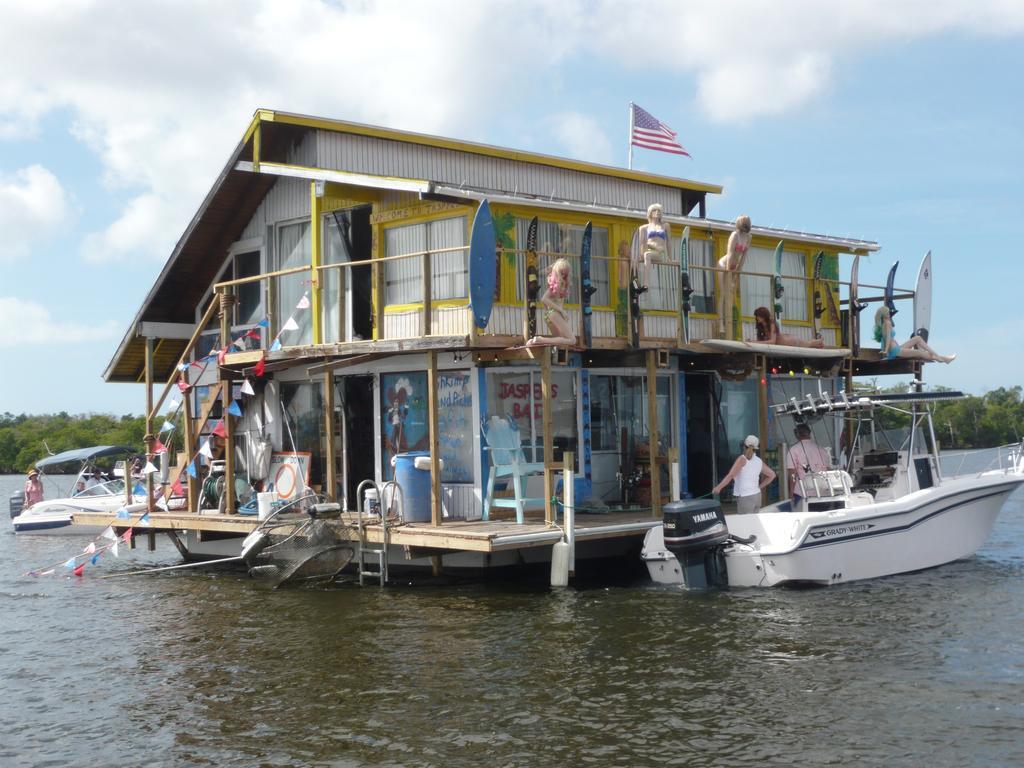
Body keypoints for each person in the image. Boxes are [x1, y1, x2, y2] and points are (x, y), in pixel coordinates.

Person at [713, 434, 776, 514]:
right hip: (757, 496)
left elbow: (731, 475)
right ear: (756, 448)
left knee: (745, 525)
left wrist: (718, 488)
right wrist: (759, 487)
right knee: (753, 523)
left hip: (745, 497)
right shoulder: (758, 461)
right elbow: (772, 475)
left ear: (744, 446)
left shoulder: (742, 459)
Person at [874, 306, 955, 363]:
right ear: (883, 315)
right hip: (895, 351)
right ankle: (942, 358)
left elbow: (885, 339)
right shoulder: (887, 323)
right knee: (921, 352)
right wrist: (885, 351)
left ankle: (939, 357)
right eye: (887, 313)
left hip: (895, 349)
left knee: (917, 338)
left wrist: (885, 350)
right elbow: (887, 338)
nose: (889, 314)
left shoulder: (882, 324)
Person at [717, 215, 753, 339]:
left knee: (731, 292)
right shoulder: (734, 235)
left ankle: (729, 322)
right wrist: (728, 271)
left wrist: (737, 274)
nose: (744, 225)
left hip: (735, 264)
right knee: (723, 293)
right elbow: (731, 253)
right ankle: (721, 323)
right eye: (743, 223)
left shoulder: (748, 237)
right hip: (724, 264)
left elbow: (743, 257)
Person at [527, 258, 576, 346]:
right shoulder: (558, 286)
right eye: (563, 272)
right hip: (554, 313)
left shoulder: (556, 285)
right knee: (572, 340)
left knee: (559, 341)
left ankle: (533, 341)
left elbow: (545, 301)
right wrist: (561, 311)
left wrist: (548, 312)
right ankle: (540, 340)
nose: (564, 275)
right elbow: (544, 299)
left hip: (549, 314)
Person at [630, 203, 670, 293]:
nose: (657, 212)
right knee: (646, 254)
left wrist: (670, 258)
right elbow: (641, 243)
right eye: (655, 210)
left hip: (661, 254)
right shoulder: (643, 228)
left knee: (647, 255)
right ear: (650, 213)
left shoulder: (665, 226)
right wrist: (641, 255)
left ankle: (646, 284)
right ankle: (645, 285)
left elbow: (669, 242)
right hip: (649, 252)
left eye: (659, 210)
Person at [787, 423, 830, 502]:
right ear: (810, 434)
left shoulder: (793, 450)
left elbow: (793, 474)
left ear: (796, 435)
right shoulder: (822, 450)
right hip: (822, 491)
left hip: (802, 492)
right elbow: (827, 469)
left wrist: (791, 491)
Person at [753, 307, 824, 348]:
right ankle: (818, 343)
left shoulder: (772, 324)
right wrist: (754, 342)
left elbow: (772, 342)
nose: (757, 318)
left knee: (808, 344)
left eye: (758, 316)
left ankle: (819, 341)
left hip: (789, 342)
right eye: (756, 316)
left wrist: (755, 342)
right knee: (809, 343)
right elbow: (761, 340)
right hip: (784, 338)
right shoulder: (761, 326)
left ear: (764, 315)